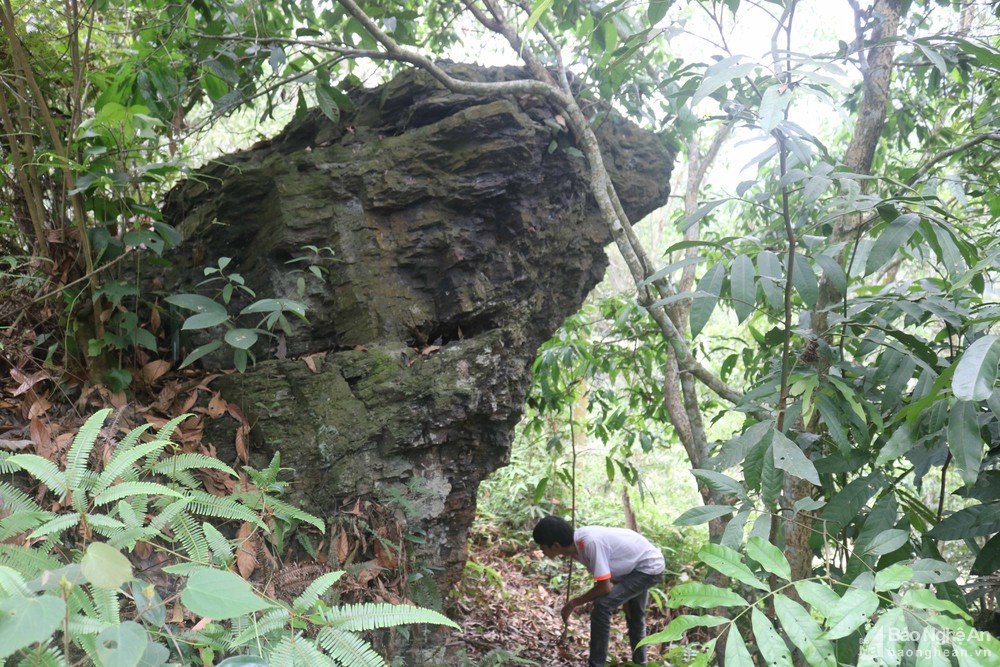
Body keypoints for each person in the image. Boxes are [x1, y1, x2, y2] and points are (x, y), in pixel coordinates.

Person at [533, 515, 665, 667]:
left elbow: (604, 587)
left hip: (649, 566)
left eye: (542, 547)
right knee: (634, 616)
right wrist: (624, 596)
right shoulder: (577, 547)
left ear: (555, 546)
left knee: (602, 605)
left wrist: (573, 603)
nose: (542, 551)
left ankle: (597, 664)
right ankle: (640, 663)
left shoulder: (589, 543)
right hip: (634, 568)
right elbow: (612, 569)